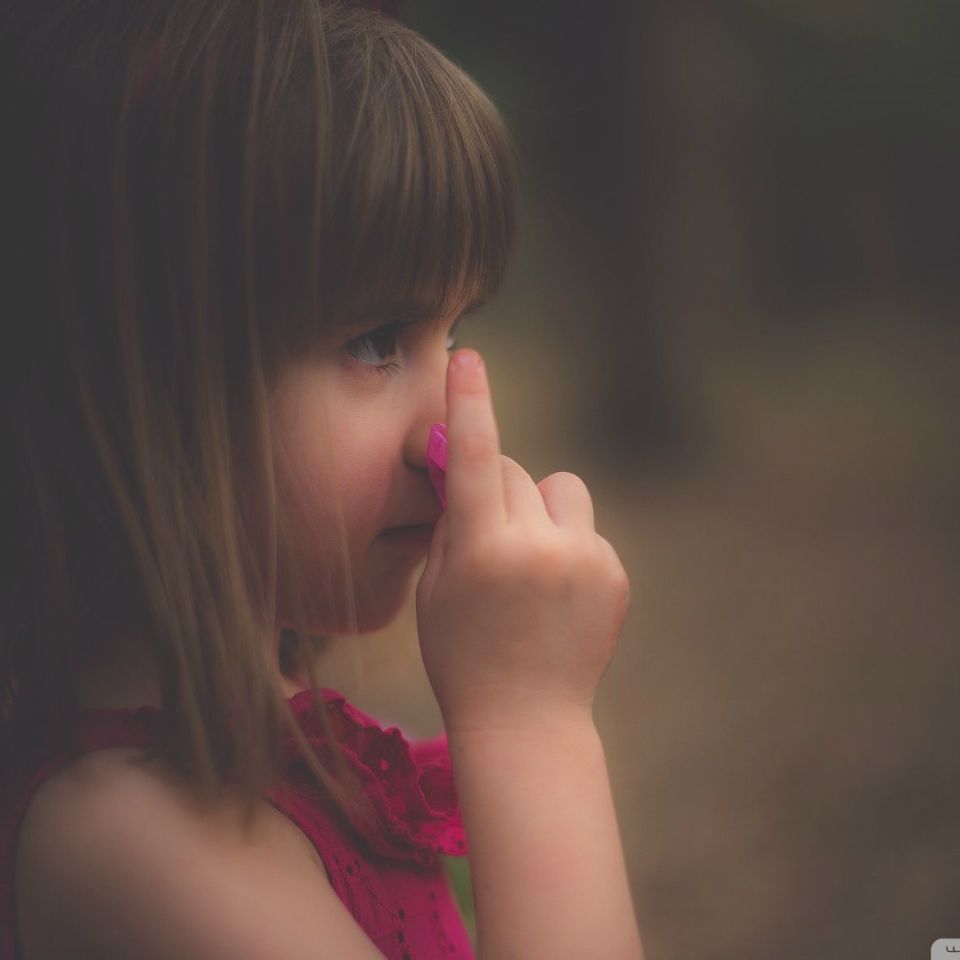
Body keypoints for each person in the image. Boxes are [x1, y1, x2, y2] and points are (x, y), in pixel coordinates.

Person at [0, 1, 644, 957]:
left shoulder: (276, 740)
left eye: (454, 334)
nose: (447, 428)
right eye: (377, 341)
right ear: (145, 383)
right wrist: (532, 726)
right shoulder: (129, 840)